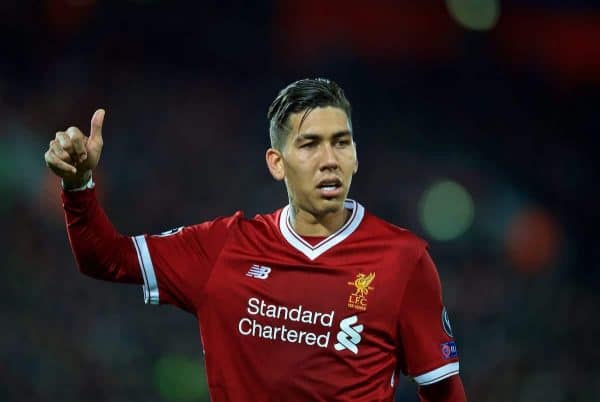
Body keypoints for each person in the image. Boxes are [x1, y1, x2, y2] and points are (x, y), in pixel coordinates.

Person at [44, 78, 467, 401]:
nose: (329, 160)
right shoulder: (224, 247)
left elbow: (443, 392)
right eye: (310, 145)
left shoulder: (403, 260)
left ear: (355, 154)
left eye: (341, 143)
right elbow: (105, 258)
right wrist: (79, 185)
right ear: (277, 163)